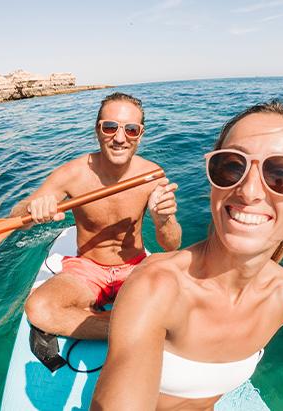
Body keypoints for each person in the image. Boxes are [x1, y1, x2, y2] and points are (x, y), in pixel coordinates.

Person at [92, 100, 283, 410]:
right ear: (213, 182)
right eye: (231, 166)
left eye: (281, 174)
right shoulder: (158, 286)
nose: (249, 191)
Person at [10, 92, 182, 341]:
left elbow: (172, 245)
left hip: (134, 268)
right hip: (88, 270)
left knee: (181, 300)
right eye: (110, 127)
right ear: (97, 130)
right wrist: (31, 210)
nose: (120, 138)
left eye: (131, 130)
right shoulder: (72, 174)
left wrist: (163, 219)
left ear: (140, 135)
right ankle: (139, 326)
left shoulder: (152, 175)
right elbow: (17, 220)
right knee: (39, 308)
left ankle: (99, 322)